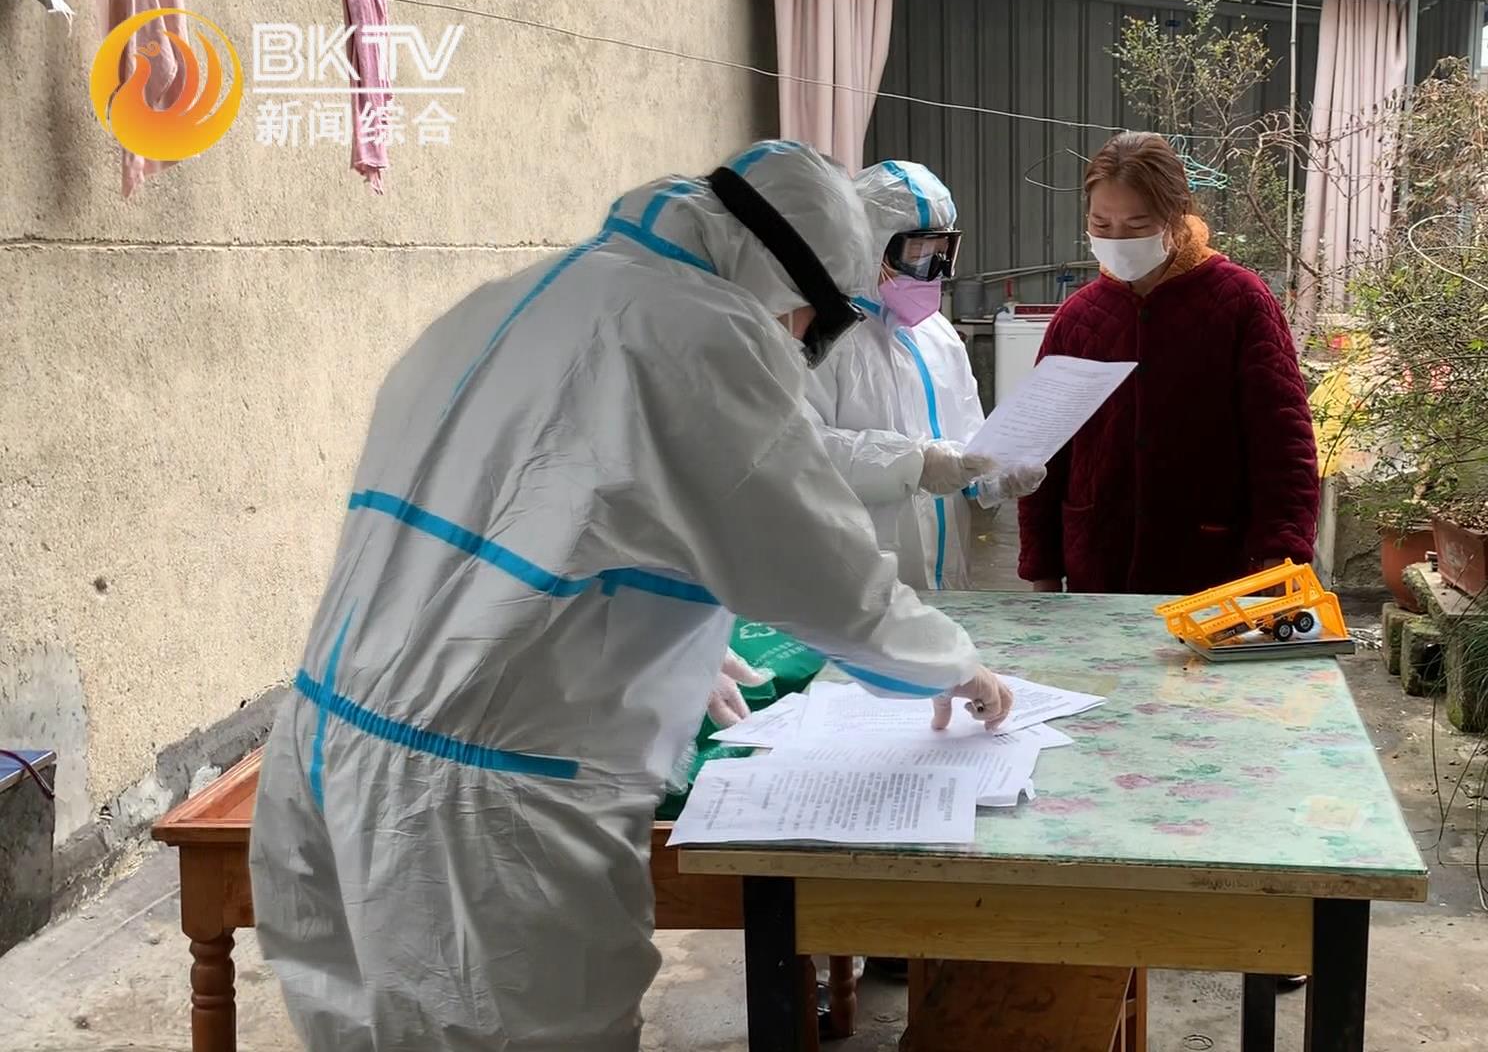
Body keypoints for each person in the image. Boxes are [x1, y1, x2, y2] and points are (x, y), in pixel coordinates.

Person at [248, 140, 1014, 1052]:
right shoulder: (702, 332)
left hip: (322, 752)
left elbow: (517, 526)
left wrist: (650, 637)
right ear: (788, 278)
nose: (805, 339)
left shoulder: (529, 293)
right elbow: (826, 578)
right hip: (479, 809)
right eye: (817, 317)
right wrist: (953, 665)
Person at [1018, 131, 1319, 596]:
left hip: (1211, 560)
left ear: (1175, 215)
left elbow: (1282, 436)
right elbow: (1043, 452)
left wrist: (1281, 551)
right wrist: (1041, 568)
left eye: (1136, 225)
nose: (1117, 239)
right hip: (1099, 564)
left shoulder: (1239, 300)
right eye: (1101, 224)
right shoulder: (1079, 317)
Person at [806, 159, 1045, 590]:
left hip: (948, 574)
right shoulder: (822, 339)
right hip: (858, 581)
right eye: (918, 254)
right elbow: (802, 450)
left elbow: (967, 442)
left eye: (941, 251)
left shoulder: (938, 335)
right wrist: (914, 463)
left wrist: (995, 475)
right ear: (869, 246)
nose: (933, 270)